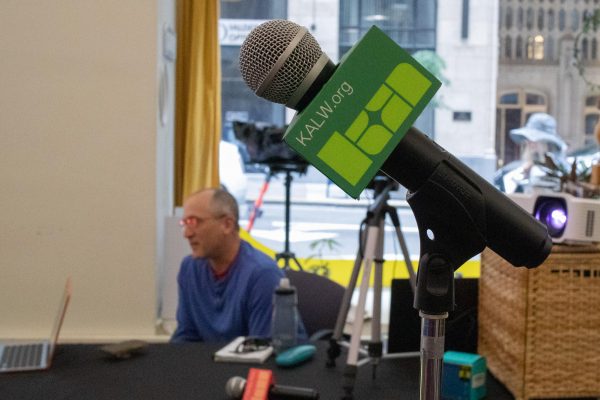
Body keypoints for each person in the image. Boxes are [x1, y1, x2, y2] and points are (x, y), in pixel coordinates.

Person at [171, 187, 306, 343]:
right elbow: (185, 339)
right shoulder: (190, 269)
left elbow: (263, 349)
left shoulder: (262, 275)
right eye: (185, 223)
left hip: (257, 358)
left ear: (227, 225)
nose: (187, 234)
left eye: (194, 222)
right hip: (211, 358)